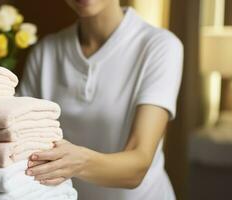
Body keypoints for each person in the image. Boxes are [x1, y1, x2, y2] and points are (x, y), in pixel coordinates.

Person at [18, 0, 183, 199]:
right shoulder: (45, 52)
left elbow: (138, 166)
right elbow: (19, 139)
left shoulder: (159, 46)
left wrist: (79, 162)